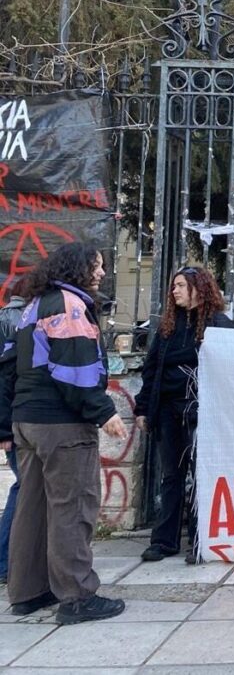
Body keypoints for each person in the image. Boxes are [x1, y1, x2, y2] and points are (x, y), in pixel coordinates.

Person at [0, 243, 127, 624]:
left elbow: (8, 368)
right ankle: (76, 596)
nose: (102, 272)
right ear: (78, 268)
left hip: (28, 421)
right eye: (97, 265)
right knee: (72, 506)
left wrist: (5, 423)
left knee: (32, 507)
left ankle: (27, 592)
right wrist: (104, 412)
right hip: (63, 426)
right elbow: (75, 369)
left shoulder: (33, 306)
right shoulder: (70, 307)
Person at [134, 266, 234, 564]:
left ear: (198, 288)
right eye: (173, 285)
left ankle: (200, 539)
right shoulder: (167, 327)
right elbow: (151, 368)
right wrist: (141, 407)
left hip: (202, 409)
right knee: (172, 475)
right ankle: (164, 541)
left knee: (200, 472)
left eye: (180, 285)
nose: (174, 291)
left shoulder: (218, 324)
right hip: (167, 409)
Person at [0, 276, 31, 586]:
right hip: (14, 421)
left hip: (11, 421)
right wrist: (4, 431)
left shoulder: (7, 317)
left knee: (23, 487)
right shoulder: (18, 321)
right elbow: (5, 380)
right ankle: (5, 561)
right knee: (24, 488)